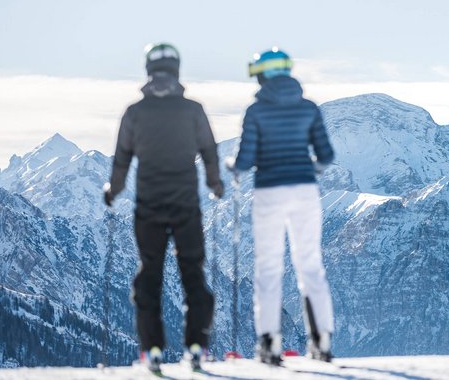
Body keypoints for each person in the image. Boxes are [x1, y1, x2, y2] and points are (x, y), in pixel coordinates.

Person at [103, 42, 223, 373]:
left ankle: (152, 349)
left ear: (148, 71)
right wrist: (216, 185)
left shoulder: (134, 112)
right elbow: (210, 151)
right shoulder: (193, 109)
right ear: (177, 70)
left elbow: (122, 158)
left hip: (149, 207)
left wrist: (113, 190)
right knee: (193, 274)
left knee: (149, 276)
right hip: (186, 205)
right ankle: (196, 346)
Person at [230, 47, 335, 364]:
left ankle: (270, 345)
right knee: (310, 265)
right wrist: (307, 170)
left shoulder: (255, 111)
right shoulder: (309, 108)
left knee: (269, 268)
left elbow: (245, 161)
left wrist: (231, 166)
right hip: (305, 191)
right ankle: (323, 341)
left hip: (269, 193)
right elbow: (327, 156)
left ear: (261, 74)